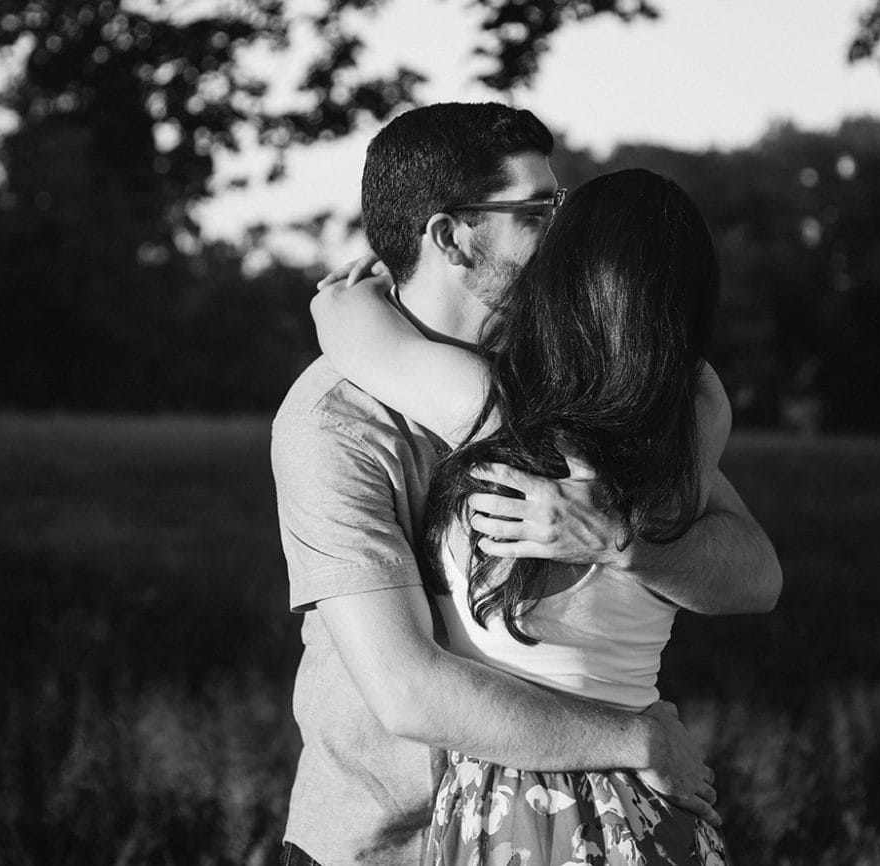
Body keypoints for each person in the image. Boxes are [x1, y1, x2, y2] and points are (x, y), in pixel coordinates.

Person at [270, 102, 781, 866]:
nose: (561, 230)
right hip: (381, 848)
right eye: (540, 210)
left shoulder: (575, 388)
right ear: (451, 237)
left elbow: (753, 572)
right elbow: (410, 690)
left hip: (548, 820)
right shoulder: (337, 420)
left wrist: (626, 545)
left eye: (565, 207)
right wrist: (636, 737)